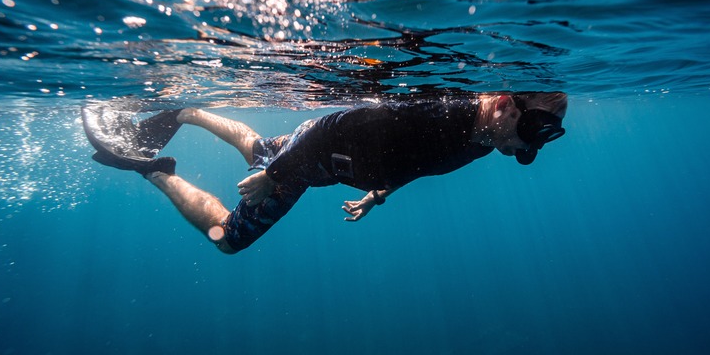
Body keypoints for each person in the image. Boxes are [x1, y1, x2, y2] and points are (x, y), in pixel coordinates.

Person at [88, 92, 567, 254]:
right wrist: (276, 174)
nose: (522, 148)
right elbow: (335, 123)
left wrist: (377, 195)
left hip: (317, 165)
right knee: (230, 239)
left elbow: (418, 166)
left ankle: (186, 112)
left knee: (256, 147)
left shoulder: (481, 143)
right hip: (307, 159)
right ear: (504, 105)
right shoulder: (440, 113)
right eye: (529, 132)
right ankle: (154, 171)